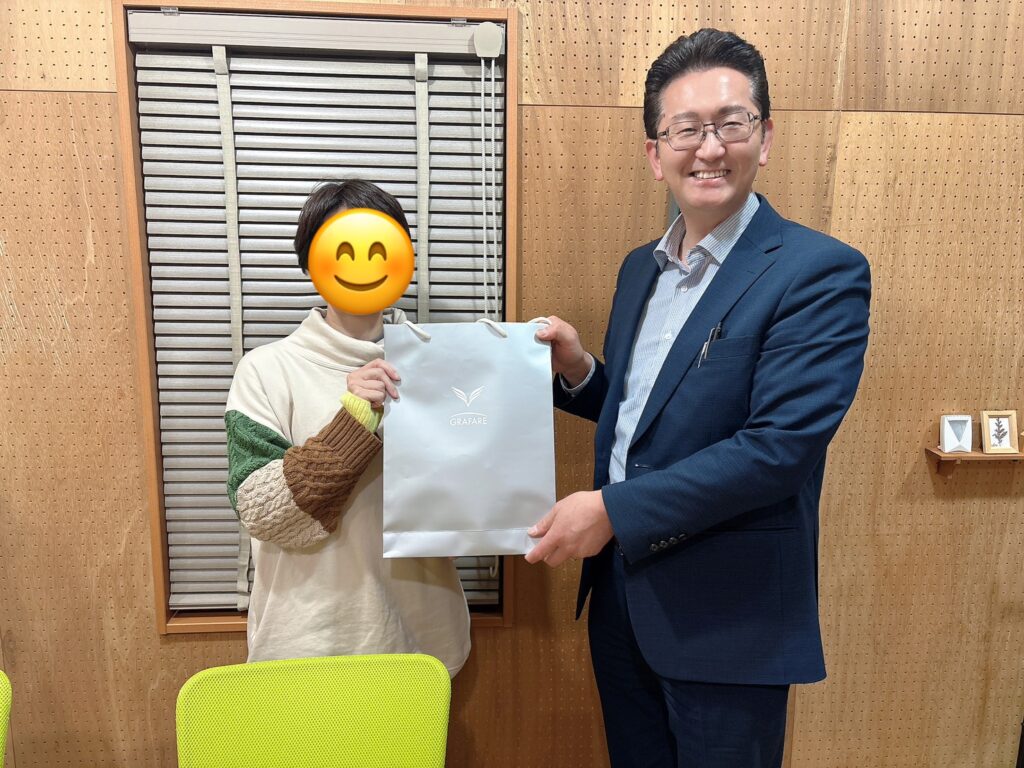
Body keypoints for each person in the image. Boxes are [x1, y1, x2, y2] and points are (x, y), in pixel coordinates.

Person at [526, 29, 871, 767]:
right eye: (685, 130)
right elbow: (650, 416)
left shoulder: (819, 271)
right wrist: (581, 369)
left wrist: (612, 510)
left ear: (764, 137)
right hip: (622, 601)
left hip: (730, 620)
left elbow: (777, 450)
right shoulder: (639, 269)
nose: (708, 148)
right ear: (657, 154)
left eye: (729, 124)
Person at [224, 180, 471, 674]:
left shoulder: (443, 364)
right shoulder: (265, 370)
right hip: (304, 645)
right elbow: (264, 514)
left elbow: (474, 495)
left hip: (421, 642)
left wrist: (526, 371)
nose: (362, 263)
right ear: (311, 261)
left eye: (380, 247)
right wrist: (356, 420)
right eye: (342, 248)